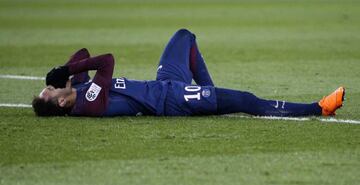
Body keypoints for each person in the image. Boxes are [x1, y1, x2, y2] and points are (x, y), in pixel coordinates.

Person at [32, 29, 345, 117]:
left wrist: (64, 71)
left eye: (47, 86)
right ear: (61, 103)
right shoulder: (87, 104)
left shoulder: (77, 91)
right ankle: (319, 107)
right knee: (245, 100)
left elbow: (83, 55)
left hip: (165, 85)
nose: (50, 86)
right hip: (172, 101)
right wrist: (69, 71)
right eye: (49, 90)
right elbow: (106, 61)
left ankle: (212, 95)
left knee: (184, 37)